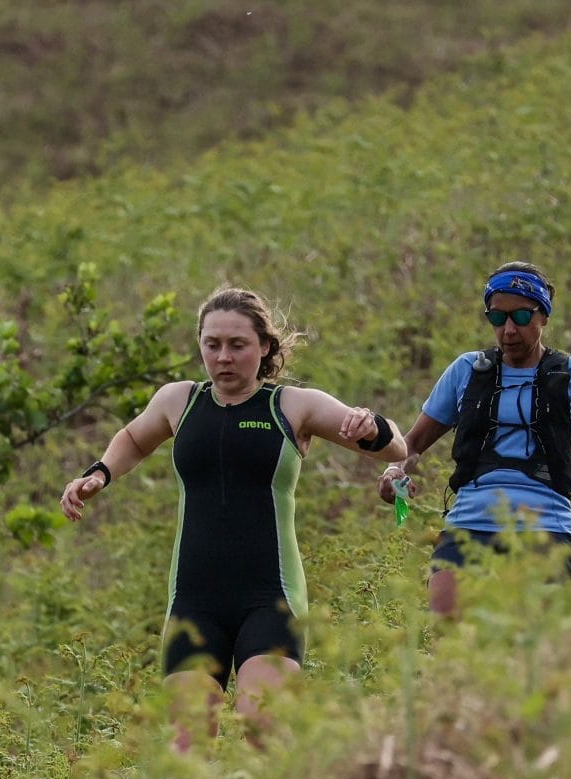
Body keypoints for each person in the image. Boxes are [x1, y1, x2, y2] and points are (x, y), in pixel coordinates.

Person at [60, 286, 406, 746]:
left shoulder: (291, 407)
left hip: (270, 597)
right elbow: (134, 438)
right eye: (212, 345)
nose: (223, 357)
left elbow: (395, 446)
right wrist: (99, 473)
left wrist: (371, 425)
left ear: (264, 347)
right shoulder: (178, 401)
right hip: (193, 600)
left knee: (264, 731)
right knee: (186, 746)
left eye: (237, 345)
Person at [378, 260, 571, 616]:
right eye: (497, 318)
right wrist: (394, 472)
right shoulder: (467, 371)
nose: (509, 330)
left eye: (521, 318)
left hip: (546, 528)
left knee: (545, 653)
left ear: (543, 316)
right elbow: (411, 445)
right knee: (449, 640)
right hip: (469, 525)